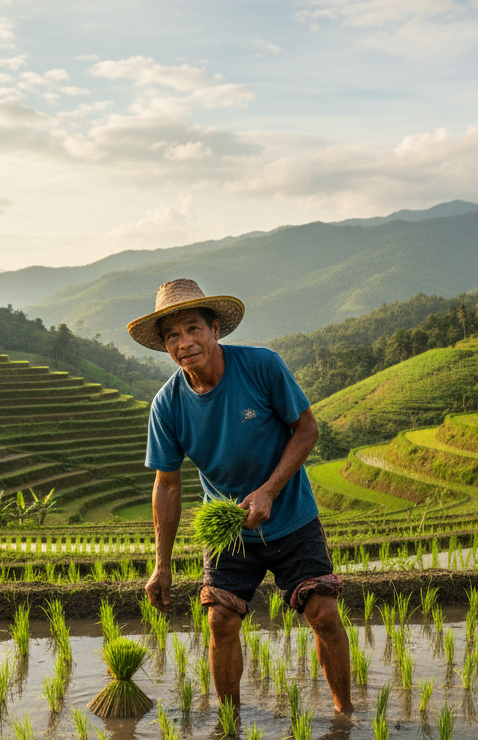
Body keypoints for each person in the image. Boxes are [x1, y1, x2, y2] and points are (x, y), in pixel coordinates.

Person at [128, 278, 352, 713]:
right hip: (229, 530)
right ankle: (230, 728)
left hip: (291, 516)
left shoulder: (262, 366)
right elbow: (168, 485)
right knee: (220, 620)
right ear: (165, 347)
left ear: (215, 329)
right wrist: (162, 565)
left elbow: (307, 430)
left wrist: (269, 490)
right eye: (172, 335)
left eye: (193, 328)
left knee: (323, 612)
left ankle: (346, 715)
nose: (184, 342)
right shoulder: (168, 404)